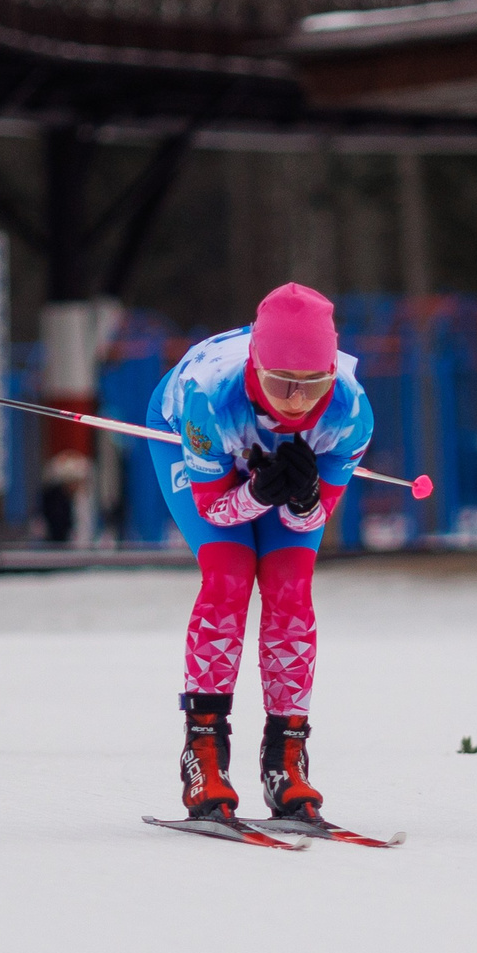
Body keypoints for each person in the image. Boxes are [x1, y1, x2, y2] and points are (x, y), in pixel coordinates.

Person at [147, 283, 375, 824]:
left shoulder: (350, 412)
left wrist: (302, 498)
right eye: (280, 383)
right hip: (184, 430)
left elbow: (310, 522)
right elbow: (214, 509)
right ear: (255, 366)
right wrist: (257, 493)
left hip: (261, 451)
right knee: (228, 574)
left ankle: (286, 759)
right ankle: (204, 753)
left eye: (312, 384)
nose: (296, 401)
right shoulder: (209, 398)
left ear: (331, 374)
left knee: (290, 585)